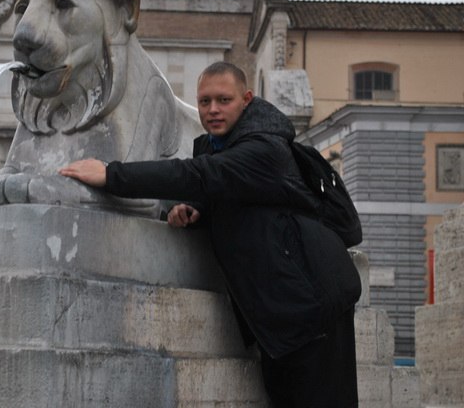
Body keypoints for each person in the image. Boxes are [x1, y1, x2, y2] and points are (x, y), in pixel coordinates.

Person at [59, 61, 361, 407]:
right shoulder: (226, 147)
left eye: (223, 100)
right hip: (286, 311)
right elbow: (241, 198)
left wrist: (111, 175)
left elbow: (201, 175)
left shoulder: (263, 150)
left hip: (313, 306)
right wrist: (197, 210)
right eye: (204, 102)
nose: (213, 110)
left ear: (246, 100)